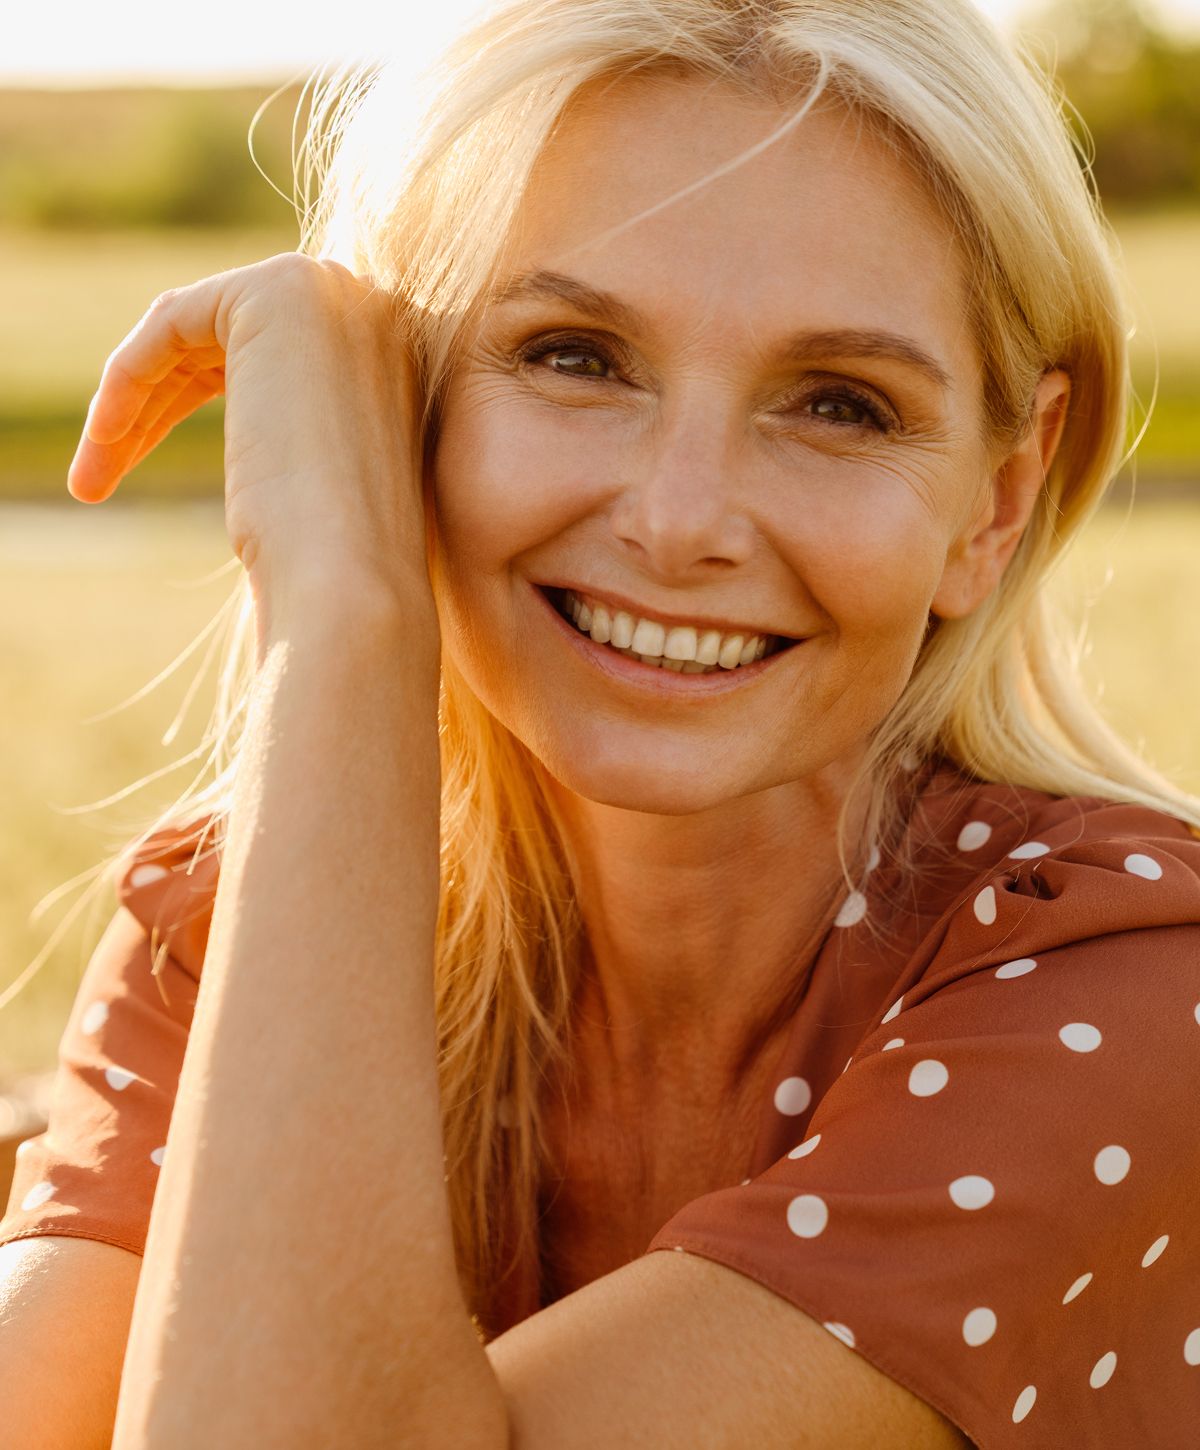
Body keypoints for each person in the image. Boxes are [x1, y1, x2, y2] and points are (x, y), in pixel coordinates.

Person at [3, 0, 1199, 1445]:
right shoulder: (232, 922)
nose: (682, 519)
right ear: (401, 407)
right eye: (575, 356)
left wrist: (349, 624)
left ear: (997, 501)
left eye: (840, 403)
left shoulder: (1129, 995)